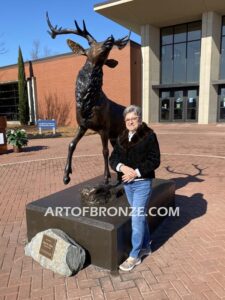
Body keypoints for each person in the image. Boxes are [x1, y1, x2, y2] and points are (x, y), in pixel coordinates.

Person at [109, 105, 160, 271]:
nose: (131, 122)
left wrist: (136, 172)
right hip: (127, 184)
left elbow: (154, 160)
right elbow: (113, 158)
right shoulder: (121, 137)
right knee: (140, 216)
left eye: (133, 119)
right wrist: (122, 167)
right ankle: (145, 247)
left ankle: (135, 255)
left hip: (142, 183)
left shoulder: (149, 135)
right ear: (125, 121)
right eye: (128, 119)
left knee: (137, 218)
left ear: (139, 119)